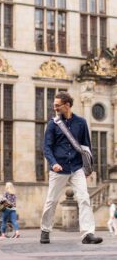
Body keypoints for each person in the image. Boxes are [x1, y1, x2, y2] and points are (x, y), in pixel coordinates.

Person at [41, 91, 103, 244]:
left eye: (57, 105)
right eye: (54, 105)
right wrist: (53, 162)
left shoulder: (81, 122)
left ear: (67, 105)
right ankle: (45, 229)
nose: (54, 108)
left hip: (76, 168)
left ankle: (87, 234)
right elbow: (46, 147)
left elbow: (86, 146)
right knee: (52, 201)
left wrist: (88, 168)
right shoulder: (53, 124)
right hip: (58, 168)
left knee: (84, 199)